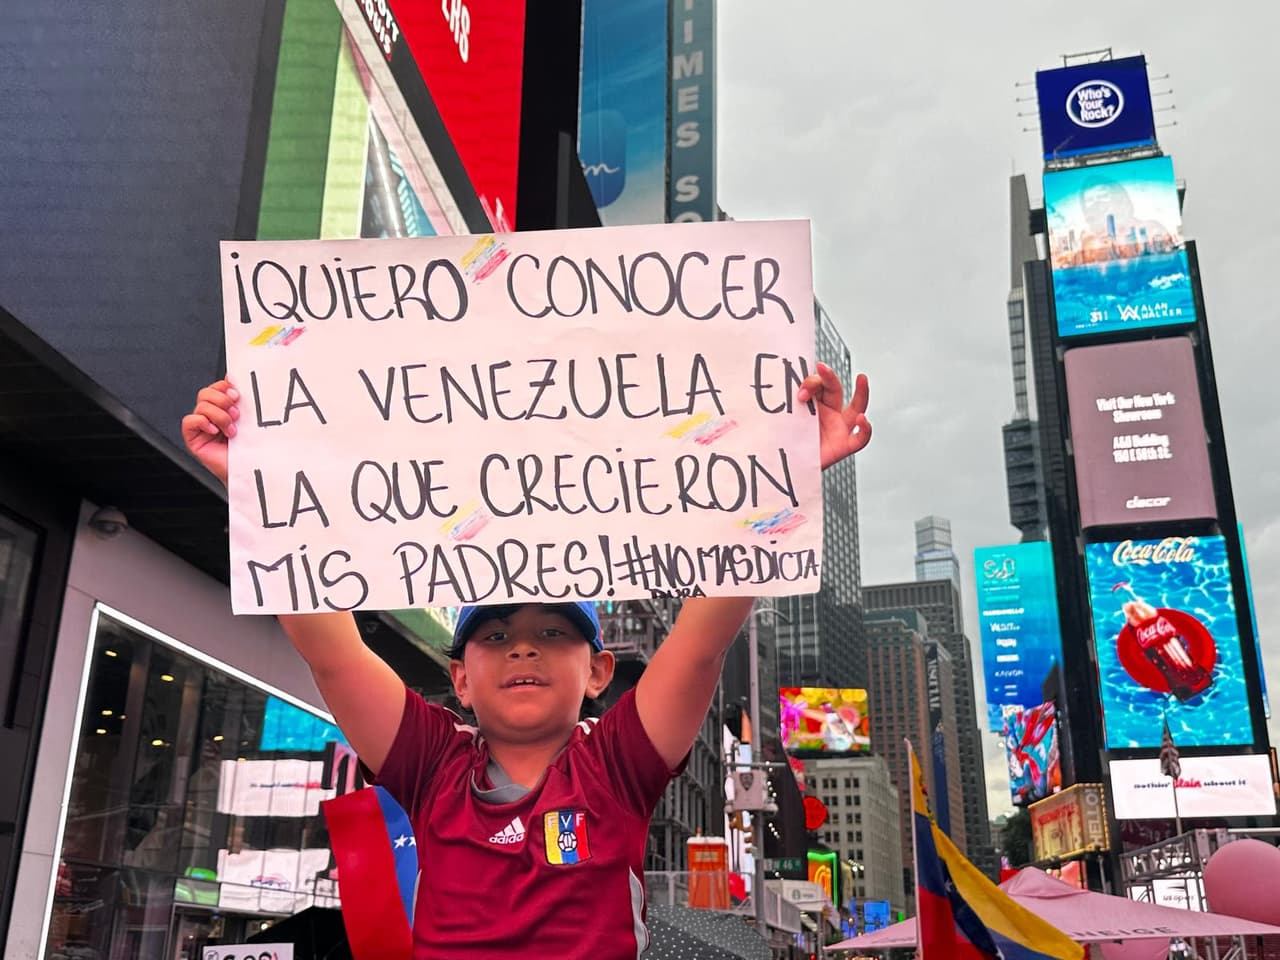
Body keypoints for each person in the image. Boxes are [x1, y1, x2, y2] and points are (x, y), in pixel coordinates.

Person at [183, 363, 870, 959]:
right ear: (460, 679)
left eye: (551, 633)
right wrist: (257, 490)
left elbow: (698, 645)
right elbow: (331, 653)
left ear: (598, 671)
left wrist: (788, 475)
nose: (521, 647)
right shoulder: (432, 763)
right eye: (493, 636)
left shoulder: (616, 767)